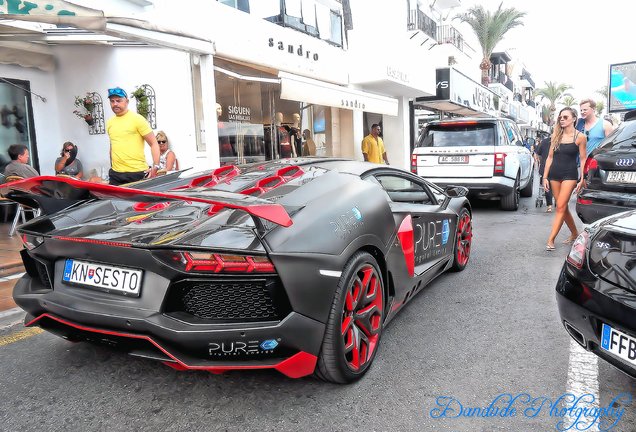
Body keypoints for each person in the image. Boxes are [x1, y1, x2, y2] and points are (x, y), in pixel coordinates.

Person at [543, 107, 587, 251]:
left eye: (565, 117)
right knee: (563, 206)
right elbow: (549, 158)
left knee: (560, 206)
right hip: (554, 174)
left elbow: (583, 158)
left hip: (570, 174)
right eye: (560, 117)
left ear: (574, 119)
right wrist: (544, 177)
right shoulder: (556, 135)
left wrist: (583, 178)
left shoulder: (580, 137)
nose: (562, 119)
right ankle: (575, 233)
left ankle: (551, 239)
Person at [105, 87, 160, 186]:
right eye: (112, 101)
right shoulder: (110, 122)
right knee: (115, 201)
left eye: (118, 100)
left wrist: (155, 166)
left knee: (138, 201)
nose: (115, 104)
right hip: (116, 174)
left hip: (136, 173)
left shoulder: (137, 119)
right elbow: (112, 146)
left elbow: (153, 143)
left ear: (127, 101)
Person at [534, 134, 553, 212]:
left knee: (547, 186)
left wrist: (538, 161)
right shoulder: (562, 141)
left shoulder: (544, 142)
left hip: (545, 167)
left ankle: (549, 206)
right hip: (557, 168)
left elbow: (537, 153)